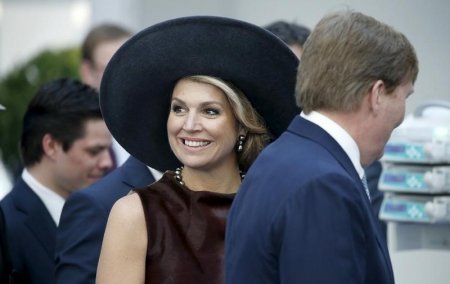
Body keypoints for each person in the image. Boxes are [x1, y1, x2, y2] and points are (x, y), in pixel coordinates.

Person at [95, 16, 299, 283]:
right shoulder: (135, 214)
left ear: (242, 124)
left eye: (210, 111)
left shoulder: (276, 210)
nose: (189, 125)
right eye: (179, 108)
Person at [226, 10, 418, 284]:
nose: (402, 114)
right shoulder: (323, 185)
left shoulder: (283, 157)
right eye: (404, 95)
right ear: (376, 95)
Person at [54, 24, 158, 284]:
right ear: (87, 72)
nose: (128, 77)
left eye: (135, 66)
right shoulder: (89, 197)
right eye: (113, 66)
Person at [1, 79, 113, 283]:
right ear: (51, 146)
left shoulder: (107, 211)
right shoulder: (7, 228)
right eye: (94, 151)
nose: (107, 162)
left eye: (108, 149)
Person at [79, 22, 133, 167]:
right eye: (111, 68)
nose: (123, 76)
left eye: (129, 65)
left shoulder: (156, 126)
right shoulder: (71, 135)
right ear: (87, 72)